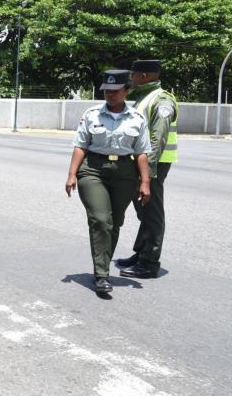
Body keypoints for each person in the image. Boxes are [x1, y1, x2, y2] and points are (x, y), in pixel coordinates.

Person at [65, 70, 152, 295]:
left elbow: (141, 153)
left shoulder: (137, 119)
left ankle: (102, 264)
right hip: (93, 169)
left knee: (115, 222)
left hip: (124, 172)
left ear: (126, 91)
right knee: (101, 220)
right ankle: (102, 274)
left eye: (115, 91)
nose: (110, 95)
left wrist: (145, 182)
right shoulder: (92, 115)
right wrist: (72, 174)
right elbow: (80, 145)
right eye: (107, 91)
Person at [117, 59, 179, 279]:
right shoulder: (144, 97)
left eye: (133, 75)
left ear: (144, 76)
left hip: (154, 166)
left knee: (151, 213)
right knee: (144, 211)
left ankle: (149, 262)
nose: (131, 78)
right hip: (141, 164)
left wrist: (147, 175)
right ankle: (142, 253)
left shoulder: (162, 100)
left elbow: (157, 139)